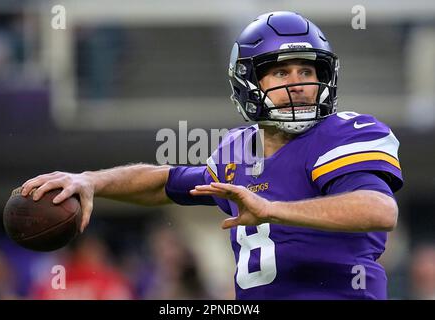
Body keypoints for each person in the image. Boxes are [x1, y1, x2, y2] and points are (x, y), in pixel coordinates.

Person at [21, 11, 403, 299]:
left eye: (307, 70)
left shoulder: (343, 134)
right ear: (249, 82)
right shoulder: (237, 148)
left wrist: (272, 209)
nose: (298, 83)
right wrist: (90, 180)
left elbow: (378, 210)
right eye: (281, 72)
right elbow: (165, 183)